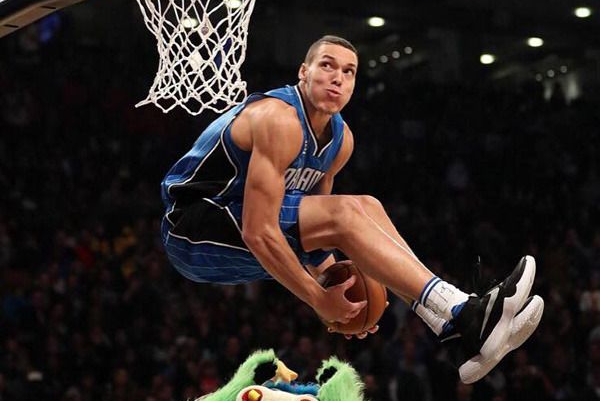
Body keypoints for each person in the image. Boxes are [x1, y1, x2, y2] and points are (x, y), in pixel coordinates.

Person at [161, 35, 543, 382]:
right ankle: (464, 311)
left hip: (241, 224)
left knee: (367, 206)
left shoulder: (341, 142)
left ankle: (451, 322)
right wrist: (316, 297)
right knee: (345, 213)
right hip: (192, 227)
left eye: (349, 71)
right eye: (327, 65)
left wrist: (342, 295)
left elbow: (317, 237)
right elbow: (258, 231)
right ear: (303, 72)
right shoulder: (278, 119)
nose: (337, 78)